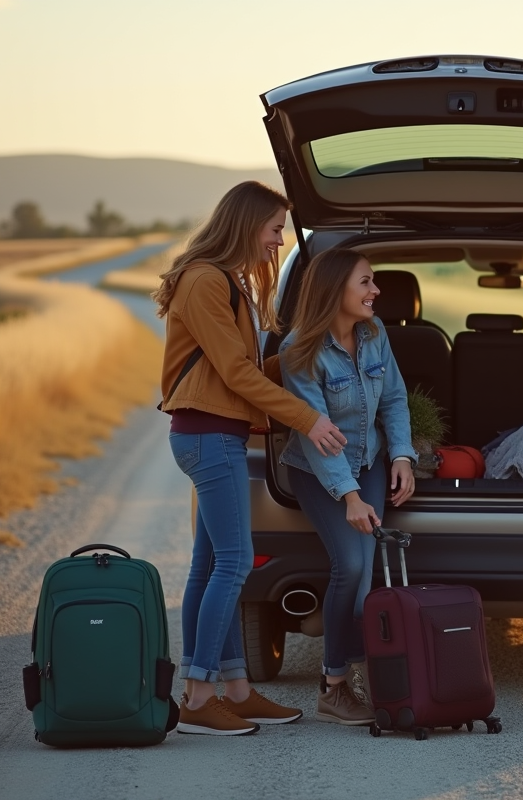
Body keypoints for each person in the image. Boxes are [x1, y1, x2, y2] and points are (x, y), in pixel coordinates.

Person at [154, 181, 348, 736]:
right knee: (236, 563)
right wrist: (307, 418)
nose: (279, 240)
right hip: (208, 436)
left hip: (219, 433)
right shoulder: (204, 281)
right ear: (246, 226)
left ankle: (235, 690)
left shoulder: (226, 280)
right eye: (273, 229)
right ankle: (197, 697)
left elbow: (239, 370)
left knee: (210, 566)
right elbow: (235, 373)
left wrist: (306, 367)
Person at [278, 247, 417, 725]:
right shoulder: (299, 350)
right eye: (366, 282)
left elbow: (394, 398)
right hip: (319, 472)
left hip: (370, 460)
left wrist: (401, 455)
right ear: (335, 289)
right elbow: (314, 436)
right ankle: (332, 686)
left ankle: (362, 677)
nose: (375, 291)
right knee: (352, 564)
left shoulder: (374, 334)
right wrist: (351, 495)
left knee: (367, 574)